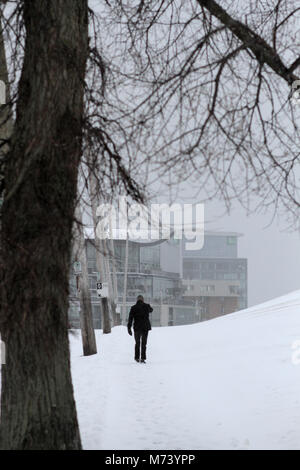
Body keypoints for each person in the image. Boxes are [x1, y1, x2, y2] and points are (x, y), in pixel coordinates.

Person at [127, 295, 153, 363]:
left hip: (137, 328)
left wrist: (129, 328)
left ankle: (136, 358)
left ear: (137, 300)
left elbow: (130, 319)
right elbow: (151, 310)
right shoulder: (147, 306)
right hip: (145, 328)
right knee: (144, 343)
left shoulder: (133, 308)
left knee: (137, 343)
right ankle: (143, 358)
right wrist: (147, 306)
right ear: (143, 300)